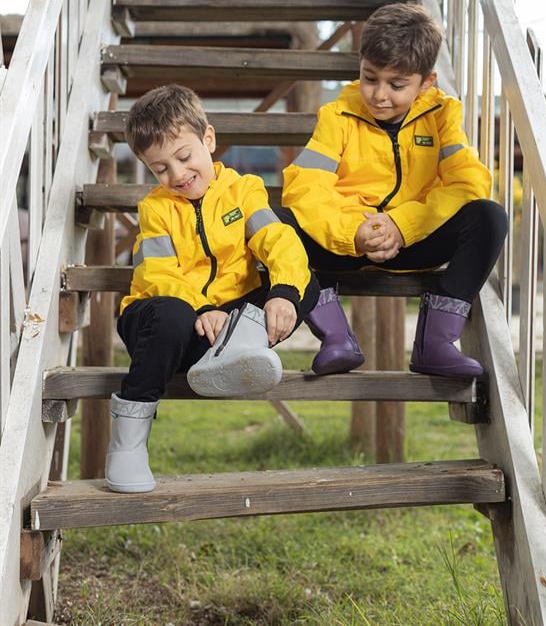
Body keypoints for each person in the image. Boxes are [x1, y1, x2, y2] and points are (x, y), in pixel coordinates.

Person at [105, 84, 363, 495]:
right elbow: (157, 274)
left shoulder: (244, 191)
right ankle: (128, 444)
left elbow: (278, 241)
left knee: (303, 282)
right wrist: (201, 308)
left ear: (208, 139)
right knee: (173, 314)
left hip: (228, 325)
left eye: (184, 157)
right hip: (163, 327)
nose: (177, 175)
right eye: (160, 168)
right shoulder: (155, 209)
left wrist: (283, 293)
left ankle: (239, 349)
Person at [280, 3, 508, 380]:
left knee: (488, 215)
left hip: (413, 241)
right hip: (344, 244)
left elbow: (467, 184)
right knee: (276, 222)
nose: (379, 95)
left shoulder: (443, 116)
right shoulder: (336, 116)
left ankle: (436, 343)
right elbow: (305, 188)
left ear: (426, 82)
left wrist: (402, 226)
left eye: (397, 85)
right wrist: (353, 232)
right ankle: (335, 337)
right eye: (370, 78)